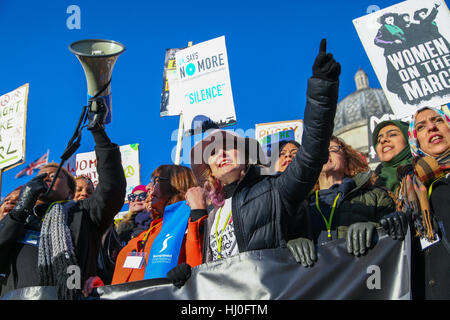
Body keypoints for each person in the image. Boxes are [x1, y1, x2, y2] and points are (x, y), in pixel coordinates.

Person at [166, 38, 341, 286]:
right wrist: (187, 277)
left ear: (247, 158)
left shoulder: (275, 189)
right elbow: (210, 272)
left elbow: (312, 153)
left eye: (229, 147)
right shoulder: (212, 214)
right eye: (213, 153)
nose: (221, 154)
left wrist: (322, 89)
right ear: (210, 171)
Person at [0, 110, 126, 300]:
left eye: (54, 175)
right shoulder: (17, 219)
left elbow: (112, 188)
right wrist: (19, 211)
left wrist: (99, 134)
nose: (45, 177)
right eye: (40, 176)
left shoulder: (82, 214)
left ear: (69, 192)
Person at [289, 136, 396, 260]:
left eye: (333, 149)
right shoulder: (300, 206)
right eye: (320, 150)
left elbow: (394, 239)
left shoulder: (376, 196)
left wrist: (376, 230)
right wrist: (291, 242)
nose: (325, 152)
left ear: (347, 163)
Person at [383, 106, 450, 299]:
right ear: (415, 140)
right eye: (421, 127)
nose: (431, 128)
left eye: (438, 121)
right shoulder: (408, 188)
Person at [111, 165, 205, 285]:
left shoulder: (190, 225)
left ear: (177, 184)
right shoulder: (147, 233)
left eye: (155, 181)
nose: (148, 187)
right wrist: (98, 289)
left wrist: (198, 214)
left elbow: (199, 270)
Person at [372, 120, 412, 193]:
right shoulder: (369, 186)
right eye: (379, 140)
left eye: (392, 134)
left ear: (408, 139)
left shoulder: (428, 170)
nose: (383, 140)